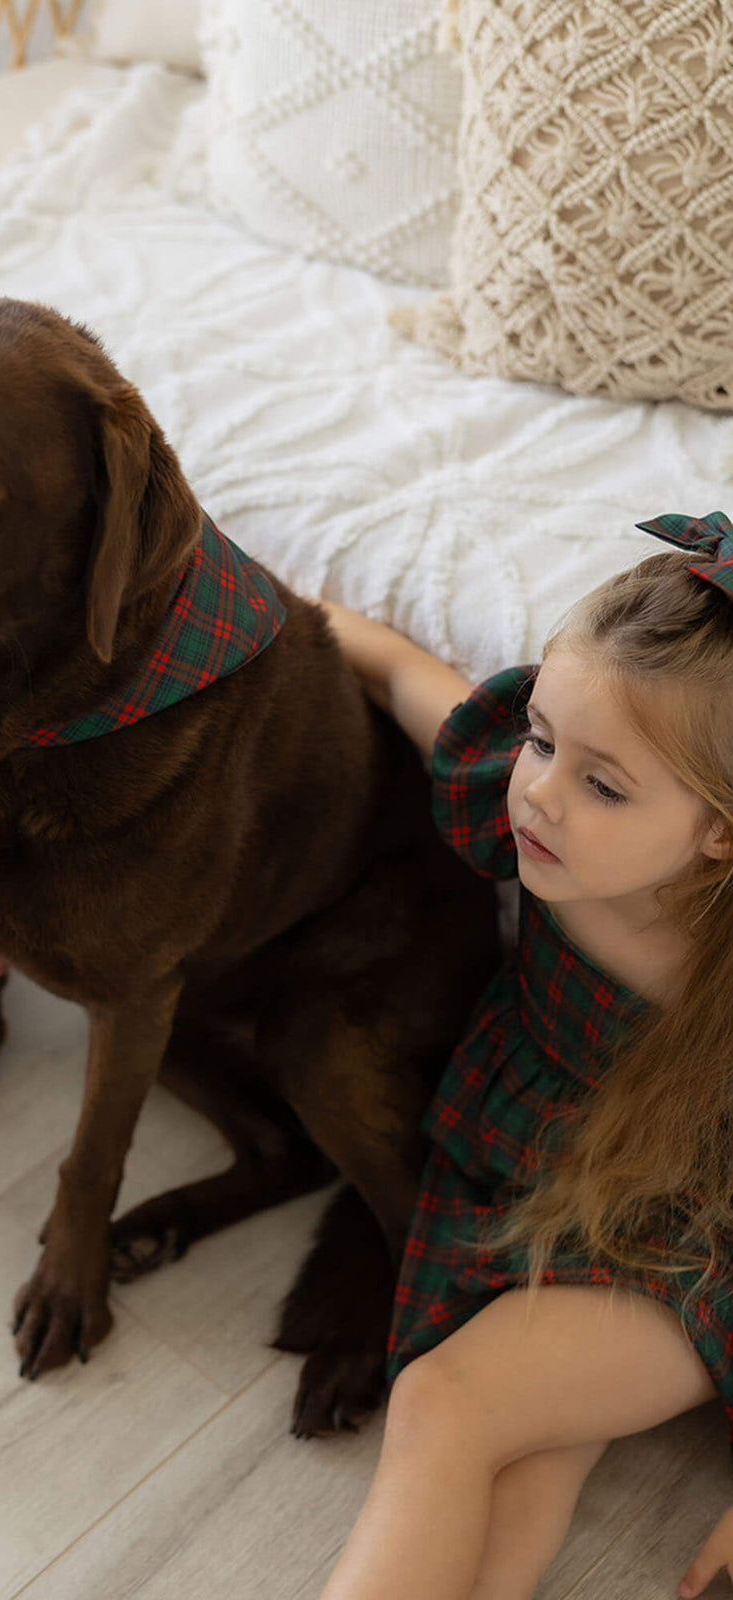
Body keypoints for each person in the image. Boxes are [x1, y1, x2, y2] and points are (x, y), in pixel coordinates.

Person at [318, 513, 733, 1600]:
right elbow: (402, 670)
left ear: (722, 830)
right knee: (526, 1456)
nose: (538, 790)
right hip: (535, 1147)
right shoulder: (536, 812)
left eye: (603, 783)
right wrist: (290, 609)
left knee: (445, 1405)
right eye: (542, 737)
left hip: (700, 1227)